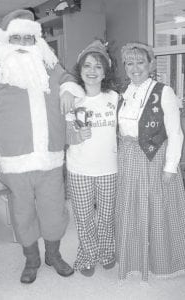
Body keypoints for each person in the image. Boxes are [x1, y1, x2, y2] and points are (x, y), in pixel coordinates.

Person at [0, 9, 85, 284]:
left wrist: (69, 89)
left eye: (28, 37)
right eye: (17, 37)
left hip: (49, 157)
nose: (23, 43)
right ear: (7, 40)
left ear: (36, 40)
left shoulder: (48, 64)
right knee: (22, 212)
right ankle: (31, 259)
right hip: (13, 159)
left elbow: (68, 78)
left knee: (54, 209)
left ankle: (54, 255)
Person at [115, 42, 185, 281]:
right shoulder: (124, 92)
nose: (135, 68)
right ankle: (133, 259)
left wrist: (170, 168)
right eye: (130, 63)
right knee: (130, 209)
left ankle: (161, 262)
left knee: (157, 211)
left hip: (154, 157)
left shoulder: (164, 91)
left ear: (150, 64)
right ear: (125, 67)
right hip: (128, 157)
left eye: (140, 62)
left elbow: (176, 133)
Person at [65, 40, 118, 277]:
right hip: (79, 169)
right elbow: (66, 135)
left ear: (105, 71)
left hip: (109, 169)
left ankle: (106, 252)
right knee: (84, 219)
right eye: (87, 66)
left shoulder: (115, 98)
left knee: (106, 218)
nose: (92, 71)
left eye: (98, 66)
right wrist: (77, 136)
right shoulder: (72, 98)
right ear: (80, 69)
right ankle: (87, 256)